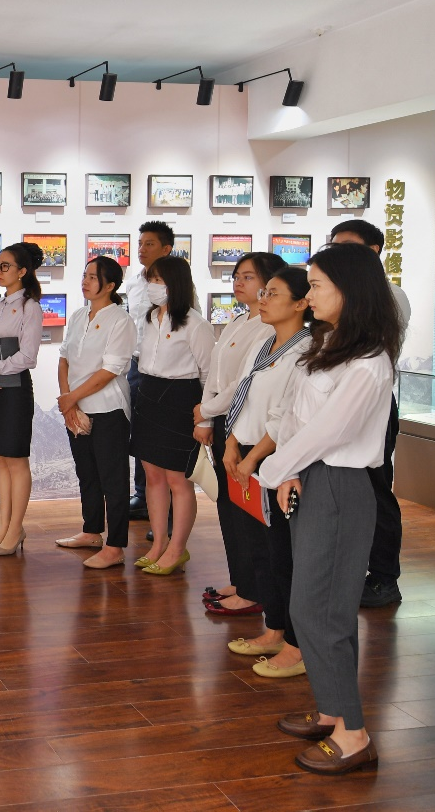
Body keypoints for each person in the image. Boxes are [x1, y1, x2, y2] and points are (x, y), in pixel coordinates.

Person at [255, 243, 402, 775]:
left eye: (317, 285)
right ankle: (332, 709)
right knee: (315, 607)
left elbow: (329, 431)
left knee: (319, 611)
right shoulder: (330, 344)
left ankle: (354, 733)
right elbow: (299, 416)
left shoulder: (368, 361)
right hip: (312, 477)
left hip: (340, 485)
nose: (309, 294)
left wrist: (273, 470)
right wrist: (290, 471)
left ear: (350, 289)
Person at [221, 265, 314, 679]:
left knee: (283, 554)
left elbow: (283, 416)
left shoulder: (306, 351)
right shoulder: (264, 343)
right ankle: (273, 629)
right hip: (244, 452)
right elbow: (241, 396)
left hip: (272, 459)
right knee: (260, 548)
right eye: (265, 292)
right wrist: (230, 444)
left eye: (273, 293)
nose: (263, 299)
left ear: (300, 303)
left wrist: (251, 458)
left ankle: (295, 644)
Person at [194, 252, 285, 615]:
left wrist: (208, 410)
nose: (238, 283)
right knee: (230, 508)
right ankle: (242, 579)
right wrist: (206, 417)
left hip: (249, 428)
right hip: (225, 423)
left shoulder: (268, 327)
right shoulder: (236, 322)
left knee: (250, 513)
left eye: (248, 277)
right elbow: (215, 376)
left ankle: (254, 589)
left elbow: (242, 384)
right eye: (236, 276)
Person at [329, 219, 410, 608]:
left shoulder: (390, 296)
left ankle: (383, 577)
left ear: (374, 251)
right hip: (337, 401)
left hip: (372, 404)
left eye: (347, 246)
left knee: (375, 490)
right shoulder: (338, 293)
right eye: (333, 246)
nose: (337, 254)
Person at [131, 255, 215, 575]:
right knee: (153, 476)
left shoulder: (196, 324)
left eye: (158, 280)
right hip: (149, 395)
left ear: (175, 284)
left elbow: (209, 376)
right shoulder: (149, 318)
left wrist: (204, 419)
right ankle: (158, 544)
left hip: (181, 399)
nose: (152, 286)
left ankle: (178, 548)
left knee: (178, 480)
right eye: (150, 280)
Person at [55, 256, 136, 568]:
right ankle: (91, 531)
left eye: (93, 277)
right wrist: (69, 400)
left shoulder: (120, 320)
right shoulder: (78, 315)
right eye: (85, 275)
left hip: (108, 409)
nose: (85, 281)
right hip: (76, 408)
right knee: (86, 473)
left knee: (113, 480)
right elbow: (64, 359)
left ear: (110, 285)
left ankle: (115, 547)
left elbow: (110, 370)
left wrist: (71, 398)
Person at [0, 242, 44, 555]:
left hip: (15, 390)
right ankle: (3, 527)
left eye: (5, 266)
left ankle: (16, 529)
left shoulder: (31, 307)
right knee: (1, 459)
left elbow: (29, 357)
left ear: (22, 271)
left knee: (16, 460)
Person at [127, 222, 176, 523]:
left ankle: (165, 502)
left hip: (166, 369)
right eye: (140, 243)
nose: (142, 249)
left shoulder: (177, 283)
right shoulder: (133, 283)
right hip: (136, 365)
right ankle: (142, 494)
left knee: (161, 435)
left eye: (149, 244)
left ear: (166, 249)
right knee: (139, 431)